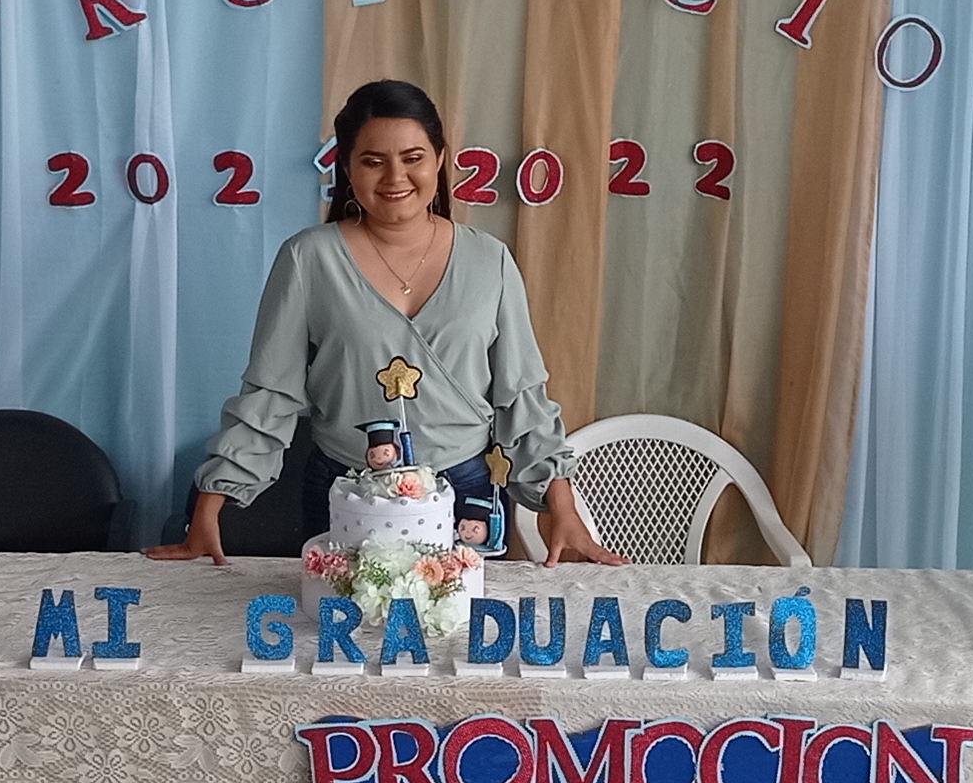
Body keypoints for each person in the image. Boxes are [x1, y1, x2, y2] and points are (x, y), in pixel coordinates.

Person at [154, 79, 624, 565]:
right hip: (346, 490)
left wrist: (560, 504)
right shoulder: (308, 258)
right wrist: (209, 506)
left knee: (457, 616)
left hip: (464, 494)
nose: (395, 176)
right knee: (341, 615)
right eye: (373, 161)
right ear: (346, 167)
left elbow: (522, 394)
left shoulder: (490, 261)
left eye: (413, 157)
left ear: (440, 159)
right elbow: (270, 392)